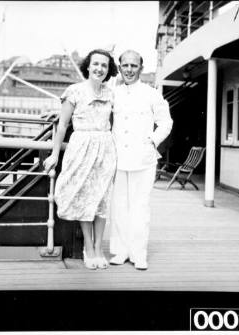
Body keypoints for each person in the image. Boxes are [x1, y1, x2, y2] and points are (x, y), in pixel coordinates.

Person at [43, 49, 119, 270]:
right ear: (88, 66)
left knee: (102, 199)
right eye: (95, 64)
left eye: (104, 65)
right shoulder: (74, 91)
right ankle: (88, 246)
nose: (99, 69)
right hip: (81, 148)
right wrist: (55, 154)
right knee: (85, 197)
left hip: (105, 148)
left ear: (108, 70)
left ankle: (98, 247)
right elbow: (64, 125)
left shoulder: (112, 93)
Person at [109, 50, 173, 270]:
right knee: (119, 206)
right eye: (125, 65)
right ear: (119, 68)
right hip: (118, 158)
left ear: (141, 68)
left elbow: (165, 122)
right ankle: (120, 251)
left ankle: (139, 253)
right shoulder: (113, 93)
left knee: (140, 207)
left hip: (143, 159)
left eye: (133, 66)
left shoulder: (151, 93)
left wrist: (152, 141)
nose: (129, 70)